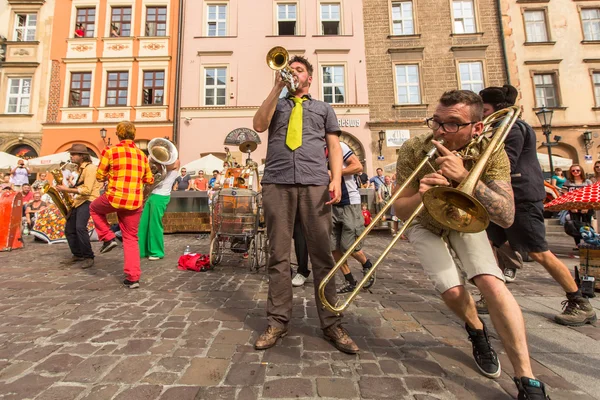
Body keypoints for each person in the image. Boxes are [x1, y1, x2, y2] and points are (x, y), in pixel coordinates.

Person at [395, 90, 550, 399]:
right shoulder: (415, 147)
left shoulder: (492, 151)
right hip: (424, 222)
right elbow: (399, 208)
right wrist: (421, 194)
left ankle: (526, 378)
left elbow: (506, 217)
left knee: (492, 284)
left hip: (466, 219)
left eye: (452, 124)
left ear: (476, 128)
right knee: (451, 289)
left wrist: (466, 176)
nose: (440, 131)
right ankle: (476, 330)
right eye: (436, 122)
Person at [253, 54, 359, 354]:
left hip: (315, 183)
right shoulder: (277, 105)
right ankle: (277, 321)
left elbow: (335, 147)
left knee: (323, 255)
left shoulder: (323, 108)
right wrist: (276, 89)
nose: (294, 73)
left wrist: (336, 179)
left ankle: (331, 322)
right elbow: (259, 125)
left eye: (299, 70)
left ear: (309, 78)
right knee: (278, 255)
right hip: (277, 181)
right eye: (290, 70)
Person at [478, 87, 596, 328]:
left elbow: (506, 163)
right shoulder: (500, 128)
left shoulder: (513, 128)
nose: (482, 115)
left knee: (539, 251)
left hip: (520, 197)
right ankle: (494, 295)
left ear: (498, 109)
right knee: (494, 244)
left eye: (485, 110)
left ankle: (580, 302)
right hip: (502, 196)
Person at [90, 121, 154, 289]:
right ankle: (133, 278)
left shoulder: (110, 151)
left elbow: (99, 176)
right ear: (134, 135)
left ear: (118, 134)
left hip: (115, 197)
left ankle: (108, 237)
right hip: (134, 201)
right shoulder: (142, 155)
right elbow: (149, 179)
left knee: (94, 208)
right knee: (131, 238)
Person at [330, 142, 375, 294]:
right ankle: (350, 280)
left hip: (349, 202)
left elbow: (357, 167)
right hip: (329, 204)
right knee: (333, 247)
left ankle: (367, 264)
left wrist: (335, 173)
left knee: (348, 246)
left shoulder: (338, 146)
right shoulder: (314, 149)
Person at [55, 144, 102, 269]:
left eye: (74, 154)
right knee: (69, 229)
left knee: (80, 227)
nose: (71, 156)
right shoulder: (81, 169)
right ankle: (77, 254)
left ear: (82, 156)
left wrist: (67, 189)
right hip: (80, 201)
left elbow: (87, 190)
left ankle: (88, 256)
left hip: (88, 200)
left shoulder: (90, 168)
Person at [139, 159, 180, 261]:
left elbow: (172, 165)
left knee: (155, 223)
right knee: (143, 224)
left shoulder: (175, 162)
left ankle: (156, 251)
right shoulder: (161, 165)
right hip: (153, 195)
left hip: (161, 196)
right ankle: (142, 250)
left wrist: (157, 162)